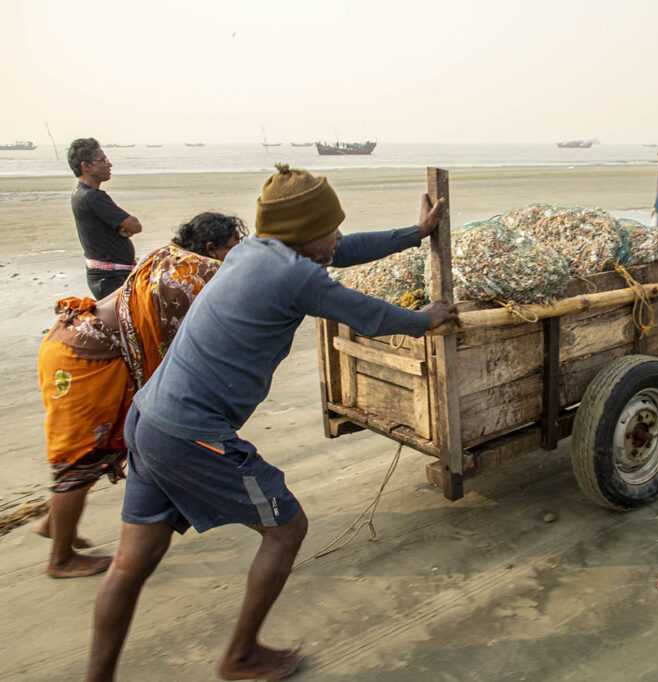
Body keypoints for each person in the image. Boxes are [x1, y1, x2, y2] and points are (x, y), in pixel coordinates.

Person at [87, 164, 460, 682]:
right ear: (306, 233)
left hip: (149, 418)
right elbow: (367, 315)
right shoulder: (296, 275)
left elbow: (342, 252)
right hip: (191, 434)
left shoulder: (252, 251)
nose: (337, 235)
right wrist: (427, 318)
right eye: (331, 227)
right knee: (287, 529)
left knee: (133, 563)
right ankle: (240, 655)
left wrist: (413, 234)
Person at [35, 213, 245, 579]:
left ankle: (54, 523)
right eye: (233, 246)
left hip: (75, 345)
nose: (237, 253)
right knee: (79, 460)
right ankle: (61, 559)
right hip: (85, 360)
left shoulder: (169, 255)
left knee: (96, 449)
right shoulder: (190, 276)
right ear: (211, 248)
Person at [67, 138, 144, 299]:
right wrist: (126, 228)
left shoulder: (79, 194)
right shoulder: (93, 197)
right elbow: (135, 225)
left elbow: (122, 228)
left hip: (106, 275)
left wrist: (122, 229)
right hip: (110, 278)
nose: (109, 165)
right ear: (86, 166)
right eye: (102, 160)